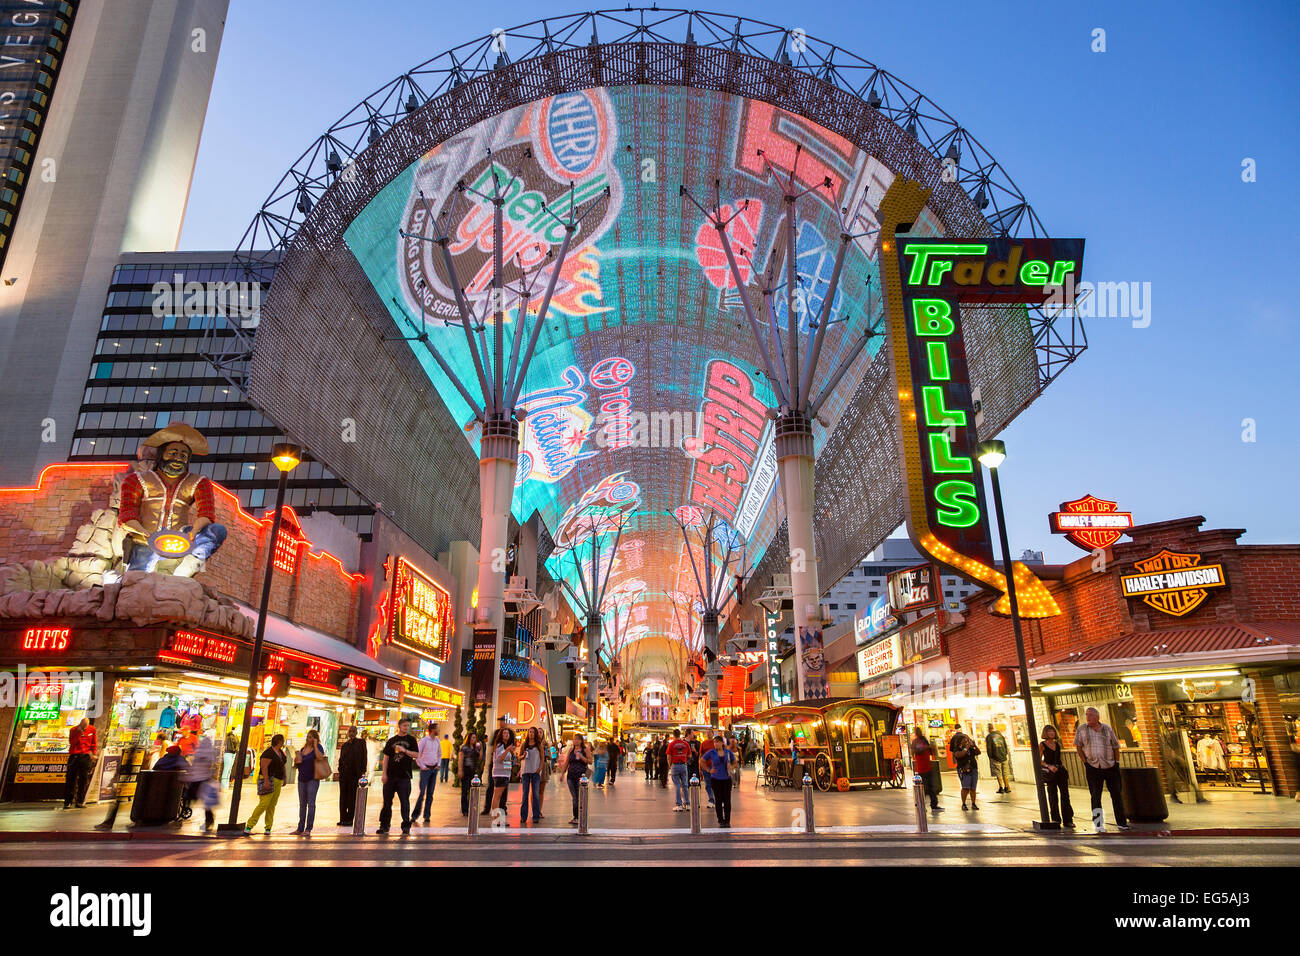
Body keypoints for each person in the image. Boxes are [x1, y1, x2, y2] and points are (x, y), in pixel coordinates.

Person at [117, 422, 227, 577]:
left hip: (180, 538)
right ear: (162, 454)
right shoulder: (136, 479)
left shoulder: (199, 482)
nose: (177, 458)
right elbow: (126, 515)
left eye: (183, 456)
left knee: (217, 531)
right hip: (145, 540)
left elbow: (206, 514)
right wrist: (145, 533)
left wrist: (193, 532)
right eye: (173, 453)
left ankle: (183, 573)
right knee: (137, 580)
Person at [1075, 707, 1129, 831]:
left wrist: (1116, 762)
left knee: (1116, 794)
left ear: (1097, 717)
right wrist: (1085, 762)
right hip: (1093, 767)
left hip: (1110, 765)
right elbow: (1078, 747)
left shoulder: (1107, 728)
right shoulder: (1082, 729)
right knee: (1095, 796)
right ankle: (1098, 824)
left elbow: (1115, 746)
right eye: (1087, 715)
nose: (1087, 717)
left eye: (1090, 715)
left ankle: (1121, 822)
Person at [378, 717, 419, 835]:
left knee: (404, 802)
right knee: (386, 802)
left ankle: (406, 825)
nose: (406, 728)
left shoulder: (411, 740)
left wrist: (404, 750)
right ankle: (384, 825)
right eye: (404, 725)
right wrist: (384, 774)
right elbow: (386, 758)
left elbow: (416, 755)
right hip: (390, 776)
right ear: (399, 727)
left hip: (404, 776)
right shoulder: (391, 741)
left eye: (407, 726)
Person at [243, 734, 286, 834]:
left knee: (272, 805)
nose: (283, 742)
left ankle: (268, 827)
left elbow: (283, 765)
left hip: (278, 780)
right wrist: (266, 781)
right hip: (268, 779)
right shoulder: (269, 753)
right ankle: (249, 825)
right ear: (279, 741)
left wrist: (284, 777)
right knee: (264, 804)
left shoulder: (280, 752)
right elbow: (264, 767)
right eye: (282, 740)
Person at [1039, 725, 1074, 829]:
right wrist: (1048, 766)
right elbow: (1038, 759)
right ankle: (1055, 819)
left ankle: (1068, 820)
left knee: (1065, 796)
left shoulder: (1057, 744)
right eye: (1049, 731)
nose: (1052, 733)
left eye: (1053, 731)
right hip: (1050, 773)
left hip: (1060, 771)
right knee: (1053, 796)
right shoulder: (1042, 744)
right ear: (1045, 733)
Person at [293, 729, 326, 835]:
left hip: (312, 778)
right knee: (302, 804)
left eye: (311, 737)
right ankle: (300, 828)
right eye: (307, 737)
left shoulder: (318, 748)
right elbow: (298, 763)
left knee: (311, 804)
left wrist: (316, 745)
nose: (308, 739)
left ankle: (308, 828)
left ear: (315, 738)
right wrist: (297, 759)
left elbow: (320, 758)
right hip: (301, 778)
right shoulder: (303, 749)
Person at [701, 735, 736, 827]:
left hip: (726, 779)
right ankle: (720, 820)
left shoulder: (728, 752)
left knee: (727, 800)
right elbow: (702, 761)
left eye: (717, 742)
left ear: (721, 743)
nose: (715, 744)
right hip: (715, 779)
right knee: (718, 800)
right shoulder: (711, 752)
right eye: (714, 742)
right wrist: (708, 770)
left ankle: (727, 820)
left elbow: (735, 762)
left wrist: (731, 767)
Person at [186, 732, 219, 831]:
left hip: (197, 779)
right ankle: (209, 821)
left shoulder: (198, 753)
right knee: (206, 803)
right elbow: (212, 766)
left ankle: (207, 821)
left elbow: (195, 765)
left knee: (192, 797)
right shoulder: (210, 754)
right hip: (205, 779)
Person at [337, 726, 368, 827]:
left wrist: (363, 772)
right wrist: (340, 770)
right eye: (350, 731)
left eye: (353, 731)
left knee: (352, 797)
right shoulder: (345, 745)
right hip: (344, 775)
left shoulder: (361, 743)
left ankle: (350, 819)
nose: (351, 733)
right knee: (343, 797)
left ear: (356, 732)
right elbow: (341, 759)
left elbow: (364, 757)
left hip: (354, 775)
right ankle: (342, 818)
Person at [64, 717, 98, 809]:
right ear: (80, 724)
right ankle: (68, 801)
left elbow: (94, 743)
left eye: (85, 727)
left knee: (83, 779)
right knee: (71, 779)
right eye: (83, 726)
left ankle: (80, 801)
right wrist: (79, 733)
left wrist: (94, 754)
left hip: (85, 756)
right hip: (75, 755)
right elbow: (72, 742)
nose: (84, 728)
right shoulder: (73, 730)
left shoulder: (92, 729)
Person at [558, 734, 592, 825]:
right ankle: (576, 817)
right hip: (571, 776)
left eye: (578, 739)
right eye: (574, 739)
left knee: (580, 797)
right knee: (574, 797)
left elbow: (590, 761)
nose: (576, 741)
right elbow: (566, 763)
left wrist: (582, 758)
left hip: (581, 776)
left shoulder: (585, 750)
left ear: (581, 741)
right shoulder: (571, 750)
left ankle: (581, 816)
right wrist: (562, 774)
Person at [488, 726, 517, 821]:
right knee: (497, 796)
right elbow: (499, 759)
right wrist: (508, 750)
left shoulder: (504, 746)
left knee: (499, 797)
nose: (506, 735)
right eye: (504, 733)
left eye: (507, 733)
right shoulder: (500, 746)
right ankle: (496, 819)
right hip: (500, 774)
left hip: (505, 774)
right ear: (501, 735)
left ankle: (498, 818)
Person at [481, 719, 511, 812]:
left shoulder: (508, 739)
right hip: (498, 770)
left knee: (501, 792)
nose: (502, 723)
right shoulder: (498, 741)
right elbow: (496, 755)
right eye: (501, 721)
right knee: (493, 790)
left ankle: (501, 811)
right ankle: (490, 810)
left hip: (505, 770)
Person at [949, 723, 980, 810]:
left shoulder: (970, 747)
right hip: (964, 769)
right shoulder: (957, 749)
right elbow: (959, 755)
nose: (966, 741)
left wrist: (974, 745)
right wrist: (966, 748)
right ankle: (964, 804)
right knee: (965, 787)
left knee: (973, 788)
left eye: (967, 740)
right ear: (960, 741)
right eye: (965, 740)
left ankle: (973, 803)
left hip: (973, 768)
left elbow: (978, 752)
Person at [414, 722, 441, 823]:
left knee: (430, 793)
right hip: (425, 770)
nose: (439, 730)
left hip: (434, 769)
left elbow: (439, 754)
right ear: (433, 730)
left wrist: (438, 764)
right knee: (422, 793)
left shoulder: (437, 741)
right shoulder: (424, 741)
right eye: (438, 728)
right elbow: (417, 754)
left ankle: (427, 815)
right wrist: (423, 766)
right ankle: (415, 815)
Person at [518, 727, 545, 824]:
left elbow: (542, 758)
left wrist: (539, 769)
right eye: (530, 732)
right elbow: (519, 757)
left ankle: (536, 816)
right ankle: (523, 816)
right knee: (525, 794)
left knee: (535, 795)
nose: (531, 734)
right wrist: (523, 756)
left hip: (535, 772)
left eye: (533, 732)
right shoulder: (524, 744)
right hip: (525, 772)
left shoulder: (539, 745)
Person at [912, 727, 942, 812]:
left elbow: (931, 750)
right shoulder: (915, 742)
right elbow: (915, 751)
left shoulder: (924, 740)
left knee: (931, 787)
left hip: (928, 766)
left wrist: (930, 748)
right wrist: (925, 748)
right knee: (923, 789)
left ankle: (934, 805)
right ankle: (921, 805)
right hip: (921, 768)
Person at [666, 729, 691, 811]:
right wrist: (684, 759)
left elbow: (668, 757)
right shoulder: (685, 744)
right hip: (683, 765)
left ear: (673, 735)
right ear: (680, 734)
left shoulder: (671, 744)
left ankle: (679, 805)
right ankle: (687, 804)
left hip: (675, 766)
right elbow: (689, 755)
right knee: (685, 785)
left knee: (677, 785)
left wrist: (670, 766)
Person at [458, 731, 482, 817]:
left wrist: (481, 748)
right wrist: (460, 770)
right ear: (469, 738)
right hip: (466, 770)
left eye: (475, 738)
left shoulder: (476, 748)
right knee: (465, 791)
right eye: (472, 737)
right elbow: (460, 759)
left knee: (473, 791)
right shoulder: (464, 748)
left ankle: (471, 808)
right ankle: (465, 810)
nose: (474, 739)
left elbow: (480, 758)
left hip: (473, 771)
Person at [985, 724, 1012, 794]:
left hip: (995, 758)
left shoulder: (989, 736)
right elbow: (1006, 746)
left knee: (998, 773)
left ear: (988, 729)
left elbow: (989, 748)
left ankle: (1001, 788)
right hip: (1004, 757)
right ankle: (1007, 787)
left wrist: (990, 757)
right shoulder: (1001, 736)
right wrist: (1005, 754)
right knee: (1005, 773)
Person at [698, 735, 716, 808]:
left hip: (715, 766)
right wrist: (700, 768)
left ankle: (718, 800)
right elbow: (700, 755)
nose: (708, 734)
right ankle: (711, 800)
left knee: (716, 784)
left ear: (712, 734)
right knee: (708, 784)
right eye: (707, 733)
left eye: (710, 732)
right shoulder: (703, 743)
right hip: (706, 767)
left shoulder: (716, 743)